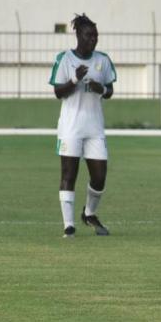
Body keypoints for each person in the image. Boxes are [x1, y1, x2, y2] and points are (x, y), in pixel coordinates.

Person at [48, 14, 115, 238]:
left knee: (99, 176)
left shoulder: (103, 60)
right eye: (88, 35)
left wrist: (102, 89)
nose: (93, 39)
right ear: (78, 35)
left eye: (95, 36)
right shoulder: (64, 59)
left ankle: (89, 213)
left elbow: (110, 91)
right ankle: (69, 225)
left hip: (94, 128)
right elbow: (58, 93)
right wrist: (75, 80)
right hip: (71, 128)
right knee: (69, 174)